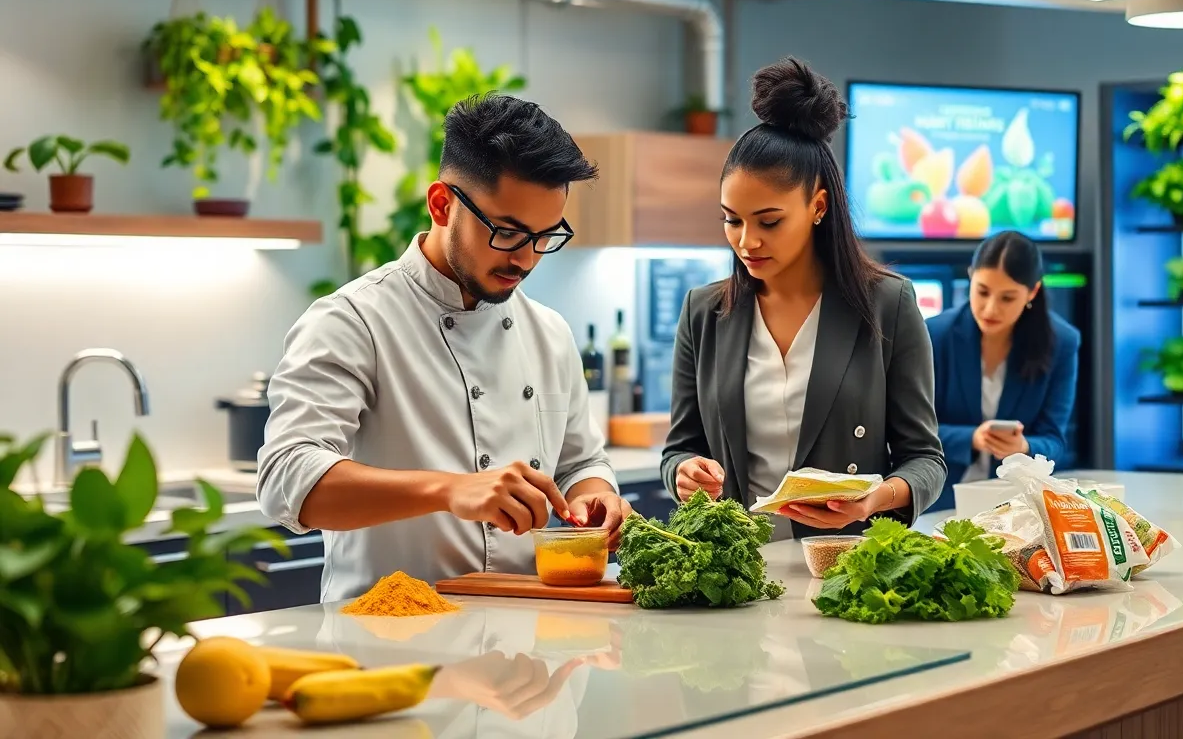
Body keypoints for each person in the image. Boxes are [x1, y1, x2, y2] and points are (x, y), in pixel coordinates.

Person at [257, 93, 632, 602]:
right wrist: (451, 490)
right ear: (441, 204)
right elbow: (287, 478)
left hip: (534, 646)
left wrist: (598, 496)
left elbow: (579, 462)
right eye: (507, 232)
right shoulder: (353, 321)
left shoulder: (548, 331)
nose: (525, 259)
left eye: (545, 236)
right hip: (393, 648)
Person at [660, 57, 947, 540]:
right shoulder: (703, 312)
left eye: (769, 222)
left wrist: (873, 500)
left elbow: (925, 460)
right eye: (732, 220)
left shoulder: (887, 305)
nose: (747, 241)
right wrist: (684, 472)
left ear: (817, 206)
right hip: (735, 569)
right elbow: (679, 449)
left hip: (845, 564)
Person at [924, 230, 1080, 511]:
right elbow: (909, 433)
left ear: (1032, 292)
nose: (990, 308)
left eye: (1008, 298)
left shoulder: (1062, 342)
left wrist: (1023, 448)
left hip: (1019, 507)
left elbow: (1055, 441)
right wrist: (972, 438)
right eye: (982, 291)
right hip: (938, 501)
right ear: (971, 276)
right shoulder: (934, 335)